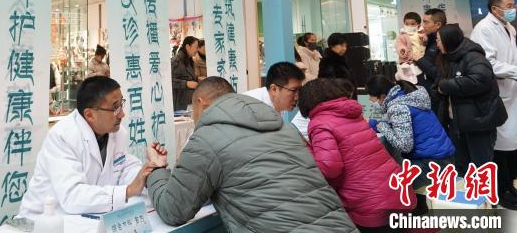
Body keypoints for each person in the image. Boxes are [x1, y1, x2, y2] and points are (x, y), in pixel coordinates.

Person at [145, 77, 356, 232]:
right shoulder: (284, 128)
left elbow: (174, 210)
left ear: (201, 103)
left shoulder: (205, 138)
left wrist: (157, 169)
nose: (193, 118)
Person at [18, 76, 149, 218]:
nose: (122, 114)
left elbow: (124, 168)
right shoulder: (63, 136)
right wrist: (127, 191)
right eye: (115, 108)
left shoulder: (117, 133)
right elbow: (72, 196)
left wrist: (148, 173)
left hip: (87, 217)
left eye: (121, 105)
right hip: (44, 219)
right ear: (89, 115)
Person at [299, 78, 414, 231]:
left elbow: (329, 168)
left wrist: (306, 148)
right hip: (399, 191)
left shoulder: (319, 123)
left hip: (371, 204)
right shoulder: (352, 114)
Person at [436, 24, 507, 178]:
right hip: (457, 123)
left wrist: (446, 86)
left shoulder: (473, 56)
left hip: (479, 122)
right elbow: (439, 83)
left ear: (449, 40)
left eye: (439, 40)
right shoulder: (448, 58)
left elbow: (480, 79)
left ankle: (488, 194)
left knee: (482, 169)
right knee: (463, 169)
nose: (437, 43)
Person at [470, 0, 517, 208]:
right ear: (495, 9)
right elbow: (487, 64)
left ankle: (509, 187)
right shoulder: (484, 29)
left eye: (513, 4)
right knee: (499, 145)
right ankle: (500, 191)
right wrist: (515, 71)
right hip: (498, 94)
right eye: (509, 6)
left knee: (511, 143)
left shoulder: (509, 27)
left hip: (511, 91)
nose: (513, 9)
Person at [366, 77, 454, 186]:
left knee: (387, 183)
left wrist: (380, 126)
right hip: (443, 158)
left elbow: (405, 146)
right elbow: (403, 125)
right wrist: (378, 125)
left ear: (383, 96)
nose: (372, 103)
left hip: (432, 165)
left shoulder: (398, 107)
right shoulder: (408, 97)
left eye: (373, 100)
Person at [416, 8, 446, 111]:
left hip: (438, 98)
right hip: (425, 95)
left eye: (426, 22)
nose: (423, 25)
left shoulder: (445, 44)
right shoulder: (426, 40)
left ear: (438, 25)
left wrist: (420, 60)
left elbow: (440, 74)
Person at [171, 36, 199, 111]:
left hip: (188, 101)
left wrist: (197, 79)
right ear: (187, 47)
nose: (197, 50)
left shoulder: (189, 60)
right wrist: (186, 84)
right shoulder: (177, 61)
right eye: (196, 47)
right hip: (179, 103)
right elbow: (169, 81)